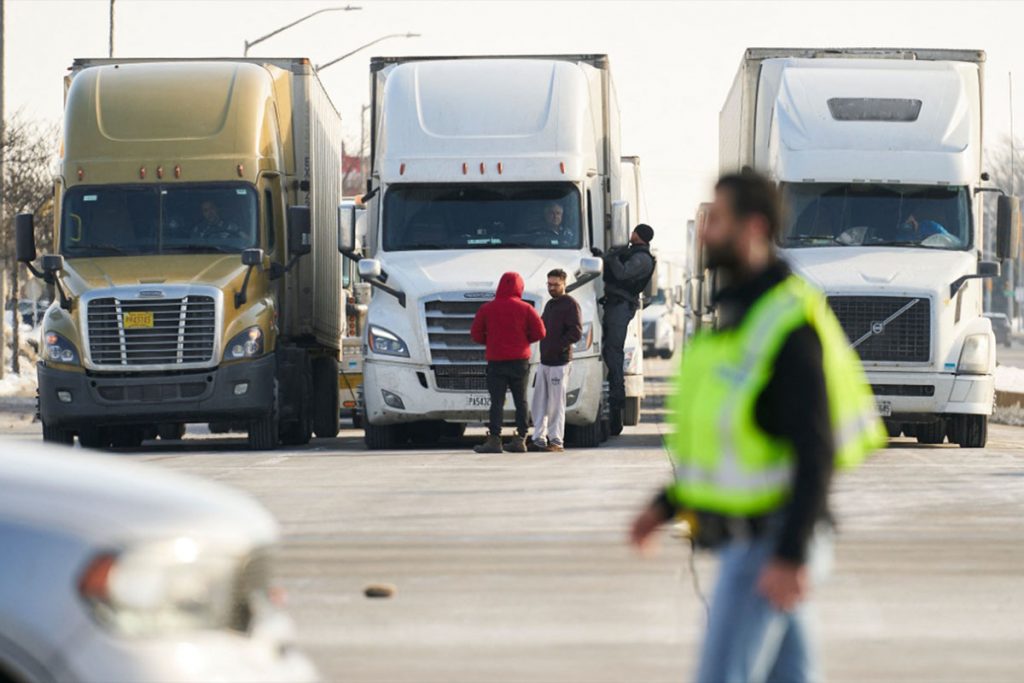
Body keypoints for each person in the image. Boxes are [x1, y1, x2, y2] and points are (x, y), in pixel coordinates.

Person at [629, 172, 885, 683]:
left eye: (717, 220)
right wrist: (667, 505)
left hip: (774, 540)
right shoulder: (740, 317)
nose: (704, 233)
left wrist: (790, 553)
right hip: (758, 539)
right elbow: (725, 444)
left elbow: (815, 449)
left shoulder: (787, 324)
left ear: (754, 228)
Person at [470, 271, 546, 453]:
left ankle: (495, 439)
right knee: (521, 400)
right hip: (520, 361)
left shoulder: (487, 309)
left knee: (496, 401)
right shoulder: (526, 308)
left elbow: (475, 334)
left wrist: (491, 342)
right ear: (520, 287)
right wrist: (525, 339)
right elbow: (541, 332)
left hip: (496, 361)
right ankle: (520, 438)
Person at [598, 223, 656, 428]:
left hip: (621, 306)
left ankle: (616, 409)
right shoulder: (633, 253)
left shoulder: (642, 259)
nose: (630, 234)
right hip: (614, 305)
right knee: (608, 351)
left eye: (633, 232)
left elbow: (622, 274)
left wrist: (611, 259)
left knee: (613, 354)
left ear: (638, 235)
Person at [529, 269, 583, 452]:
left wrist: (559, 346)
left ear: (564, 284)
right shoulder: (550, 304)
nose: (551, 288)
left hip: (560, 362)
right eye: (549, 284)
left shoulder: (571, 304)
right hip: (545, 360)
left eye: (555, 285)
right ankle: (538, 437)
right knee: (539, 402)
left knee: (556, 404)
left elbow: (576, 332)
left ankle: (556, 440)